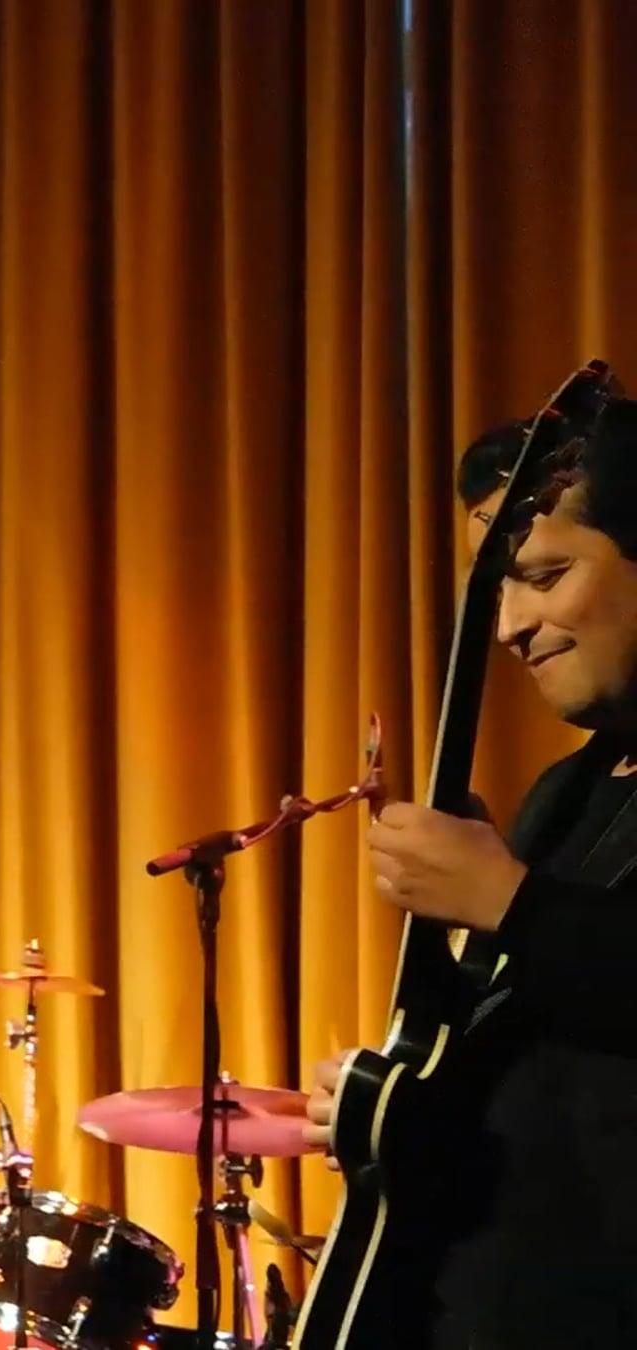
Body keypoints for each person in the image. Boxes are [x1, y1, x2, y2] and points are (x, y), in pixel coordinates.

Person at [304, 403, 637, 1345]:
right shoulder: (565, 794)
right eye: (498, 588)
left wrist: (511, 901)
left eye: (545, 576)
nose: (510, 626)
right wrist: (387, 1108)